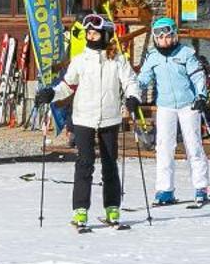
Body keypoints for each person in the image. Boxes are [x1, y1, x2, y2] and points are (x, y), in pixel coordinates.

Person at [35, 13, 143, 230]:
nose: (91, 36)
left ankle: (112, 208)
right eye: (88, 33)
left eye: (95, 32)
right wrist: (51, 94)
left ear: (105, 34)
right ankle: (80, 211)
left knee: (110, 164)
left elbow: (131, 82)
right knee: (85, 164)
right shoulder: (80, 60)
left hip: (110, 119)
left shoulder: (117, 60)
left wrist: (133, 98)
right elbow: (67, 85)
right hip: (84, 118)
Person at [134, 16, 209, 206]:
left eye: (168, 37)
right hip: (165, 106)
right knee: (164, 148)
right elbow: (143, 79)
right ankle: (165, 190)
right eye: (160, 38)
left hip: (188, 105)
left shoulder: (186, 53)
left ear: (174, 36)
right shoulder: (153, 56)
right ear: (155, 38)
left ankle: (201, 187)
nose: (164, 41)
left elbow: (198, 76)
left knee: (194, 146)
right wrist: (132, 94)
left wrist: (201, 96)